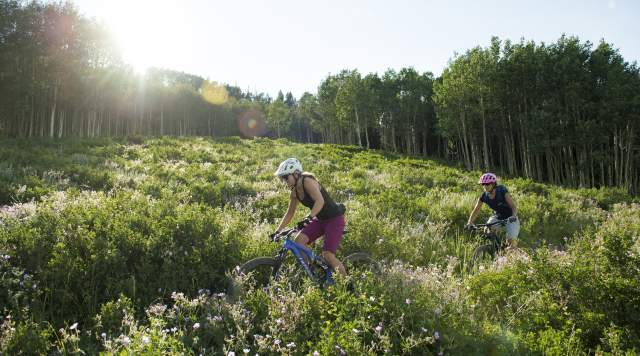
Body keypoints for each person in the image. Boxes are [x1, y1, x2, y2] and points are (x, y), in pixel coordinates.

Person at [272, 158, 347, 275]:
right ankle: (312, 274)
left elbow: (320, 201)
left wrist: (309, 217)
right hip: (320, 219)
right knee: (299, 241)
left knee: (328, 255)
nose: (284, 181)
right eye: (283, 178)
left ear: (296, 173)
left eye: (286, 177)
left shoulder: (307, 181)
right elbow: (289, 213)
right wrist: (277, 231)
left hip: (334, 220)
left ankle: (347, 286)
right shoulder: (294, 192)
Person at [466, 173, 520, 247]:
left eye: (487, 184)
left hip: (511, 218)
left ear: (493, 184)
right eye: (483, 184)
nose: (485, 186)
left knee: (511, 242)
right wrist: (470, 222)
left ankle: (513, 253)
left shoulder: (501, 190)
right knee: (487, 230)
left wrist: (513, 216)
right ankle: (495, 248)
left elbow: (513, 206)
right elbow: (476, 210)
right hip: (498, 217)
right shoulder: (484, 196)